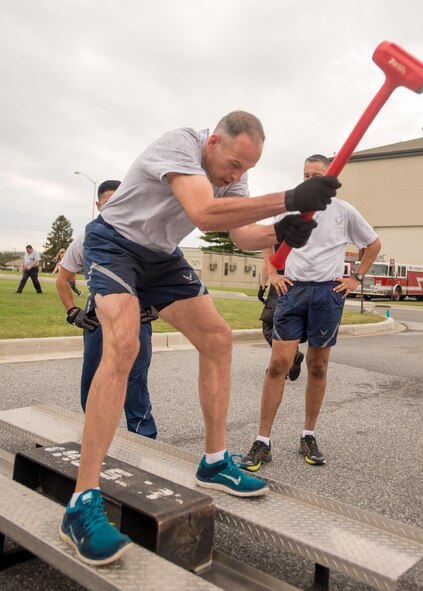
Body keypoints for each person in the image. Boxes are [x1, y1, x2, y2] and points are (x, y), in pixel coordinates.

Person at [60, 111, 341, 565]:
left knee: (218, 337)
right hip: (114, 242)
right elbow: (204, 213)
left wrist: (279, 230)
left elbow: (241, 232)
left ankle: (213, 462)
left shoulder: (235, 174)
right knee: (124, 344)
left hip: (160, 255)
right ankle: (82, 501)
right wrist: (287, 197)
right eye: (234, 165)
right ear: (212, 142)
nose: (238, 176)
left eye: (247, 169)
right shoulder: (179, 144)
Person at [240, 154, 381, 472]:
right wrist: (273, 273)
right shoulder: (291, 207)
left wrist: (356, 277)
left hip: (328, 294)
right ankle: (262, 441)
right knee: (278, 364)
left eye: (315, 175)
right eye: (305, 175)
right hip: (292, 291)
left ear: (328, 178)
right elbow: (266, 237)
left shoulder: (344, 212)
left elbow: (372, 244)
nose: (308, 180)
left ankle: (308, 435)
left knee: (318, 366)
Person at [56, 180, 158, 439]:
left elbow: (163, 278)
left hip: (137, 319)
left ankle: (143, 439)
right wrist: (73, 313)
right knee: (94, 381)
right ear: (98, 205)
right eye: (107, 203)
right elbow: (62, 279)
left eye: (119, 201)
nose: (113, 208)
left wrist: (156, 306)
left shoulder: (144, 235)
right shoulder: (88, 237)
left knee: (135, 382)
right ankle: (96, 438)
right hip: (97, 321)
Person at [258, 248, 304, 381]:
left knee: (268, 326)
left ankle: (292, 355)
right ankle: (283, 366)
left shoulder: (278, 233)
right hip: (299, 286)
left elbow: (267, 262)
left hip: (279, 283)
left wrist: (262, 286)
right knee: (289, 326)